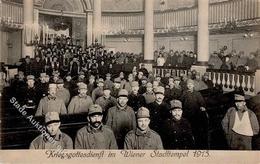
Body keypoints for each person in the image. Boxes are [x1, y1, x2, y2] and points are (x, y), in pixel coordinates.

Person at [180, 79, 208, 149]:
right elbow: (180, 101)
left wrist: (202, 107)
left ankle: (195, 140)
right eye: (188, 84)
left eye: (191, 84)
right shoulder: (184, 93)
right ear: (187, 85)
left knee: (195, 128)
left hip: (195, 114)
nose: (190, 85)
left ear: (193, 85)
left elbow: (202, 102)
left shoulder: (197, 93)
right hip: (186, 114)